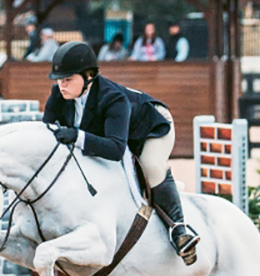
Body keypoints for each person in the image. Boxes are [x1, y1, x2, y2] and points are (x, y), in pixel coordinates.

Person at [42, 41, 199, 264]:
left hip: (151, 127)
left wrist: (77, 136)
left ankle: (179, 229)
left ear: (88, 76)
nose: (61, 85)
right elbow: (47, 129)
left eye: (68, 79)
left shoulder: (112, 98)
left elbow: (116, 149)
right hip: (119, 132)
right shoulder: (59, 94)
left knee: (151, 166)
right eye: (59, 79)